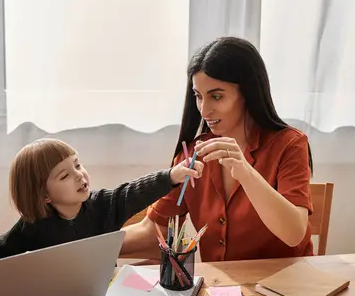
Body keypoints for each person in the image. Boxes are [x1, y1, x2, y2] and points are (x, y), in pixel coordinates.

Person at [121, 37, 314, 261]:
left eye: (216, 96)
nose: (204, 110)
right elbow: (153, 232)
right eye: (198, 96)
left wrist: (245, 172)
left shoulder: (290, 144)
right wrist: (86, 247)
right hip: (223, 289)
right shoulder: (192, 153)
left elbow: (294, 234)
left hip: (285, 287)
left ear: (248, 92)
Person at [0, 138, 203, 259]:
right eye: (65, 175)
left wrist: (171, 176)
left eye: (78, 164)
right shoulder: (32, 227)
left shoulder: (102, 205)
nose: (79, 175)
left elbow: (132, 192)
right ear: (44, 195)